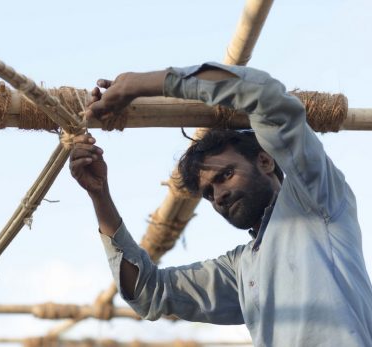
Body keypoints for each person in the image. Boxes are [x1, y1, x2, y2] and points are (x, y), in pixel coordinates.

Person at [69, 62, 372, 346]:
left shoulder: (314, 198)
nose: (220, 195)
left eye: (225, 175)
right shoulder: (242, 268)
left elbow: (264, 95)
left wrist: (139, 84)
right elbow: (147, 292)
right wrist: (99, 194)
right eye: (209, 193)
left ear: (265, 161)